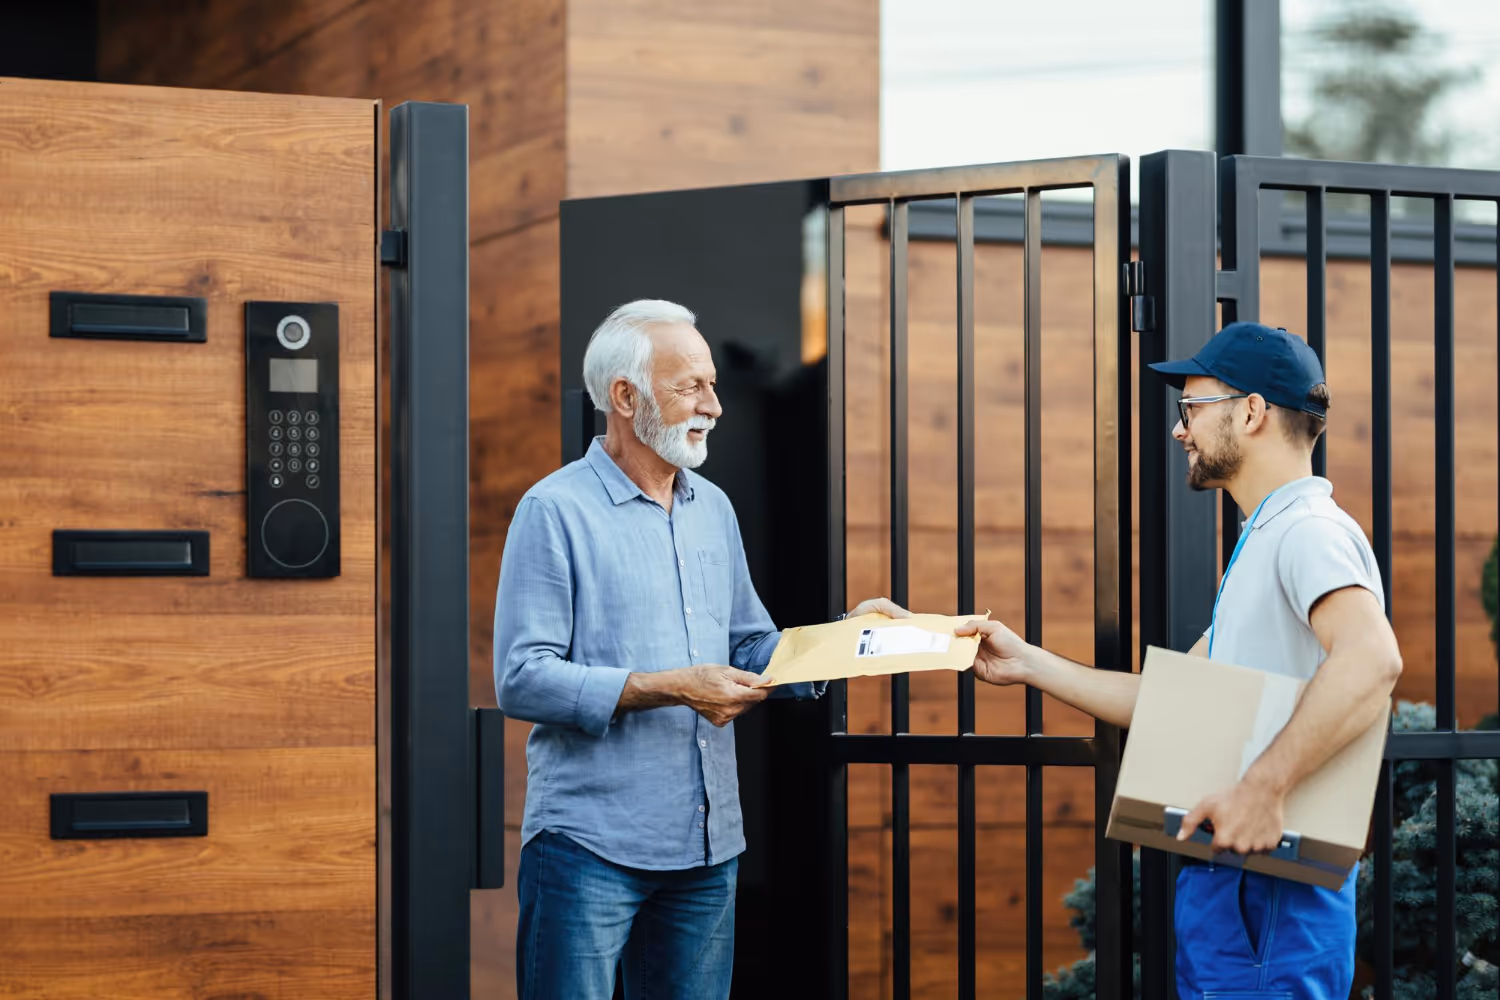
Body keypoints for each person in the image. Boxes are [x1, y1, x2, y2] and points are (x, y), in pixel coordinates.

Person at [959, 322, 1402, 999]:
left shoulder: (1308, 531)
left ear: (1251, 411)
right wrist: (1027, 662)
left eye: (1191, 409)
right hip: (1241, 888)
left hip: (1271, 892)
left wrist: (1263, 789)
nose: (1179, 431)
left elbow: (1373, 660)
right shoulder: (1268, 538)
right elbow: (1170, 699)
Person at [494, 298, 905, 1000]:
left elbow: (749, 645)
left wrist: (845, 641)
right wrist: (671, 686)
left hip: (709, 846)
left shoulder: (713, 506)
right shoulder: (553, 510)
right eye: (692, 386)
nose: (715, 404)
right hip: (588, 846)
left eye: (712, 384)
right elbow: (523, 679)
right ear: (625, 397)